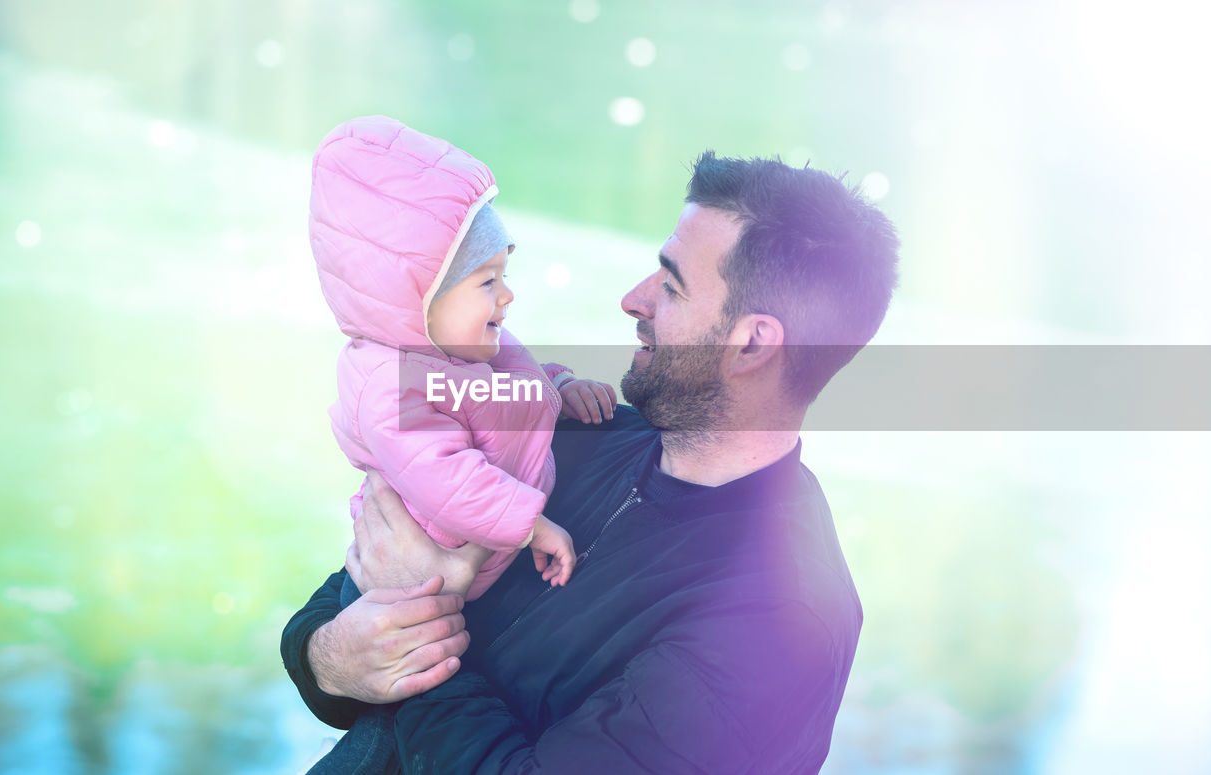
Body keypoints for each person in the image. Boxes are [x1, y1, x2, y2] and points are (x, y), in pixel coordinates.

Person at [282, 151, 900, 773]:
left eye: (671, 286)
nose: (632, 300)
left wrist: (420, 643)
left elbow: (397, 586)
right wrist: (332, 657)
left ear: (753, 344)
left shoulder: (777, 622)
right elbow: (351, 591)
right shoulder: (569, 432)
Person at [307, 115, 617, 605]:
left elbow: (503, 394)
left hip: (483, 568)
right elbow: (445, 477)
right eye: (487, 282)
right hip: (409, 591)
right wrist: (532, 527)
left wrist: (559, 389)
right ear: (420, 297)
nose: (508, 295)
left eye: (504, 275)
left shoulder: (462, 347)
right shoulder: (391, 384)